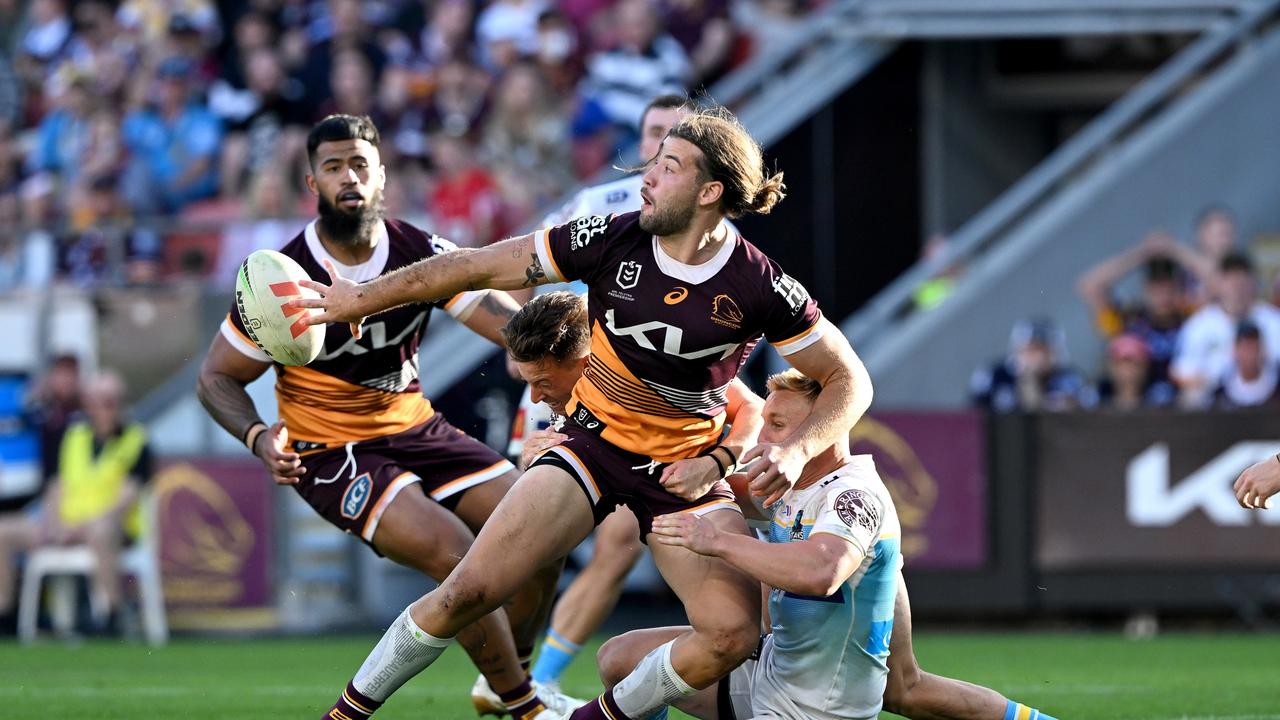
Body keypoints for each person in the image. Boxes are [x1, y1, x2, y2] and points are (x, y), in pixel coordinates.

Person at [299, 106, 872, 720]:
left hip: (683, 473)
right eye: (652, 162)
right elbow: (472, 265)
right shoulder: (609, 238)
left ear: (710, 191)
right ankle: (344, 715)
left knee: (733, 636)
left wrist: (790, 449)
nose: (648, 177)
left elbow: (848, 380)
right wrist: (360, 296)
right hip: (589, 447)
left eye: (669, 166)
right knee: (467, 590)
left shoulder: (760, 284)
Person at [195, 114, 574, 719]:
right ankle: (526, 707)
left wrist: (539, 349)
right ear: (312, 182)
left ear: (381, 176)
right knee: (456, 555)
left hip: (417, 428)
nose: (349, 177)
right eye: (333, 166)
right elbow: (216, 376)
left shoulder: (418, 252)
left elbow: (503, 323)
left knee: (547, 520)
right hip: (330, 451)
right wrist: (258, 435)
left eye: (360, 165)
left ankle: (505, 679)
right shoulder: (281, 278)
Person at [602, 370, 1057, 720]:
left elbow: (822, 572)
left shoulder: (852, 495)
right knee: (619, 659)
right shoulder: (792, 482)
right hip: (770, 672)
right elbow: (707, 487)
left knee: (905, 685)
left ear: (822, 429)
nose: (763, 438)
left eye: (777, 425)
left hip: (820, 705)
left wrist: (716, 541)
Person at [509, 94, 696, 693]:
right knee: (550, 542)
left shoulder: (700, 221)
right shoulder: (597, 206)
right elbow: (526, 270)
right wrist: (538, 350)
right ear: (642, 145)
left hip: (647, 408)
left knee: (614, 545)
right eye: (654, 133)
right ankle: (519, 677)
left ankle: (532, 680)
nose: (662, 143)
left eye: (675, 134)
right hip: (584, 399)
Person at [496, 290, 762, 703]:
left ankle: (534, 680)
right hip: (636, 469)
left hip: (691, 475)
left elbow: (750, 406)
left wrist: (718, 460)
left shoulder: (644, 354)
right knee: (547, 553)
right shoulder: (545, 386)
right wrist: (536, 463)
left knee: (741, 620)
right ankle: (527, 679)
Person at [0, 371, 152, 633]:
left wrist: (82, 527)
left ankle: (110, 614)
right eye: (100, 401)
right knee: (4, 531)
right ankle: (5, 613)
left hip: (109, 526)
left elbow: (125, 499)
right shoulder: (74, 436)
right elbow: (56, 486)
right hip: (65, 523)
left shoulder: (137, 440)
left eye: (112, 401)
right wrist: (53, 523)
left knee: (103, 531)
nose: (106, 409)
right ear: (88, 404)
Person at [1075, 231, 1203, 384]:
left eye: (1169, 289)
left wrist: (1174, 250)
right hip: (1140, 403)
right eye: (1156, 289)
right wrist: (1142, 253)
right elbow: (1089, 286)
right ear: (1145, 290)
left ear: (1179, 290)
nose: (1163, 296)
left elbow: (1221, 282)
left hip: (1185, 401)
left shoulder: (1191, 318)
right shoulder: (1129, 321)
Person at [1170, 253, 1280, 407]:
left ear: (1254, 282)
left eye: (1242, 282)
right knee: (1190, 397)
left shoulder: (1274, 320)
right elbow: (1180, 371)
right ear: (1218, 284)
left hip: (1270, 396)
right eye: (1231, 281)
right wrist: (1213, 379)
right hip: (1215, 401)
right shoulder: (1200, 324)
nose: (1237, 289)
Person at [970, 318, 1091, 413]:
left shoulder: (1071, 379)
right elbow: (972, 412)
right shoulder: (994, 375)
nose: (1035, 356)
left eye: (1041, 349)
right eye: (1029, 349)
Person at [1211, 320, 1280, 409]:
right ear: (1235, 351)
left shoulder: (1277, 389)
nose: (1250, 355)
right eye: (1245, 349)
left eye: (1253, 348)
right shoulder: (1220, 394)